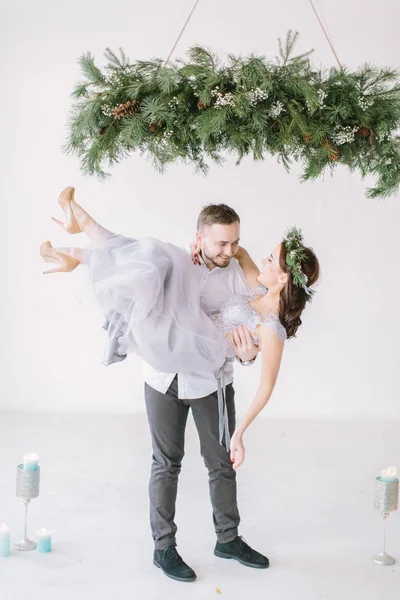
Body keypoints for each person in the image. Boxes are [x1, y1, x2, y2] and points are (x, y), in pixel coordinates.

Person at [40, 186, 320, 582]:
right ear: (200, 237)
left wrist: (248, 356)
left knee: (221, 464)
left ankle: (228, 539)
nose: (231, 250)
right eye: (221, 243)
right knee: (165, 463)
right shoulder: (182, 260)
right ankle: (164, 548)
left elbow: (259, 337)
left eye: (235, 243)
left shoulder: (245, 276)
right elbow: (145, 268)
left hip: (212, 383)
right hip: (163, 373)